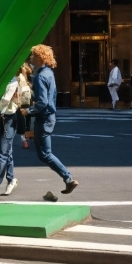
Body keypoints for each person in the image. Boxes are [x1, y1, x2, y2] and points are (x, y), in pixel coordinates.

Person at [20, 44, 78, 195]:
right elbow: (43, 97)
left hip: (44, 118)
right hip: (48, 117)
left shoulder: (40, 76)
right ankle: (68, 179)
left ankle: (68, 178)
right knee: (43, 154)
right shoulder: (48, 73)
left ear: (39, 58)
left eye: (33, 55)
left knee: (45, 154)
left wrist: (28, 111)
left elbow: (42, 102)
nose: (31, 58)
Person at [0, 71, 24, 199]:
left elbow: (5, 100)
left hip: (8, 119)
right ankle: (11, 179)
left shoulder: (11, 81)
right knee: (7, 152)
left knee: (2, 155)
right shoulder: (9, 79)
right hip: (7, 119)